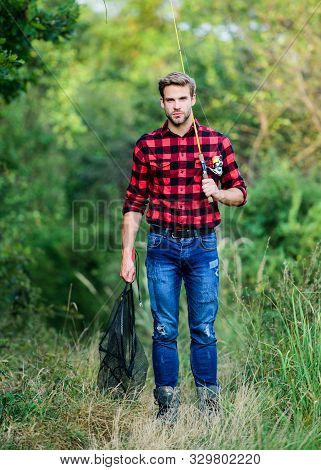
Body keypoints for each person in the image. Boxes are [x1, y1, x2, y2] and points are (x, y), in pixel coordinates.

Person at [120, 72, 247, 423]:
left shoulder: (217, 143)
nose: (176, 106)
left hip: (203, 246)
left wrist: (217, 192)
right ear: (162, 103)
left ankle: (210, 410)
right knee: (163, 329)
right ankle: (167, 411)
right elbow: (133, 202)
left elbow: (240, 193)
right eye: (169, 100)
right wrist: (127, 253)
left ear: (193, 99)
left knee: (204, 328)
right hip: (161, 246)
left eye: (182, 99)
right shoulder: (147, 145)